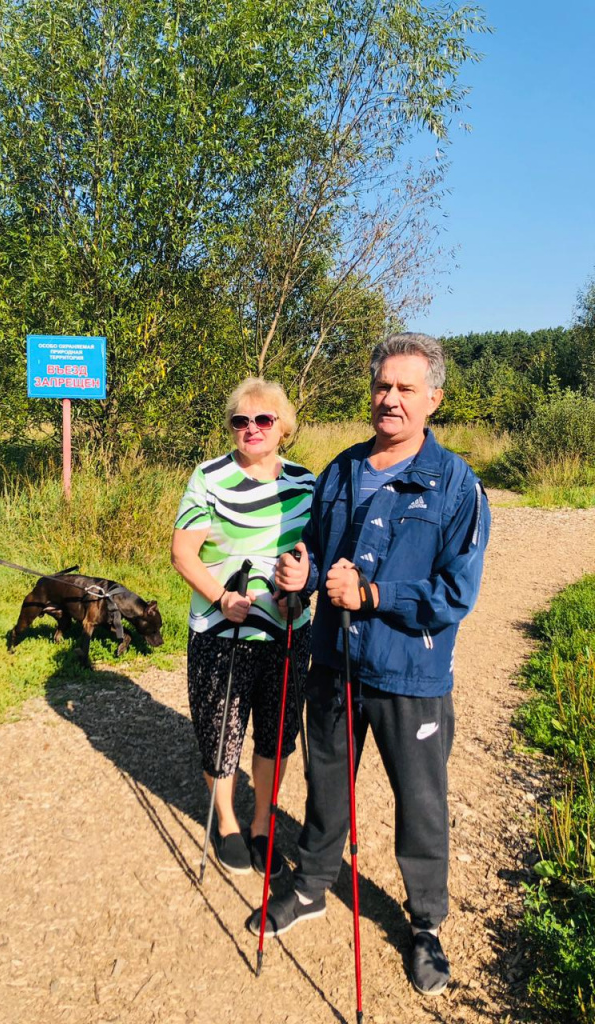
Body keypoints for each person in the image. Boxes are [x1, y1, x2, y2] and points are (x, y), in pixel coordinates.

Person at [250, 333, 490, 997]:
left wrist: (374, 594)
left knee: (421, 805)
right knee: (327, 787)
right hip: (334, 661)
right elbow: (319, 553)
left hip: (411, 675)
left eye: (406, 389)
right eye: (383, 386)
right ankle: (313, 887)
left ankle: (426, 926)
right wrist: (299, 573)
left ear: (433, 399)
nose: (390, 399)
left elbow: (455, 595)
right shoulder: (343, 470)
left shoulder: (455, 487)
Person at [171, 379, 315, 876]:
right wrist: (221, 597)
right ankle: (229, 825)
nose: (251, 429)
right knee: (220, 735)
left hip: (287, 631)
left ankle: (262, 824)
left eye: (263, 420)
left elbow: (312, 555)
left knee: (275, 737)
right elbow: (183, 553)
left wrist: (302, 587)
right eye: (241, 420)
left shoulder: (306, 483)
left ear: (283, 426)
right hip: (220, 630)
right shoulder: (208, 477)